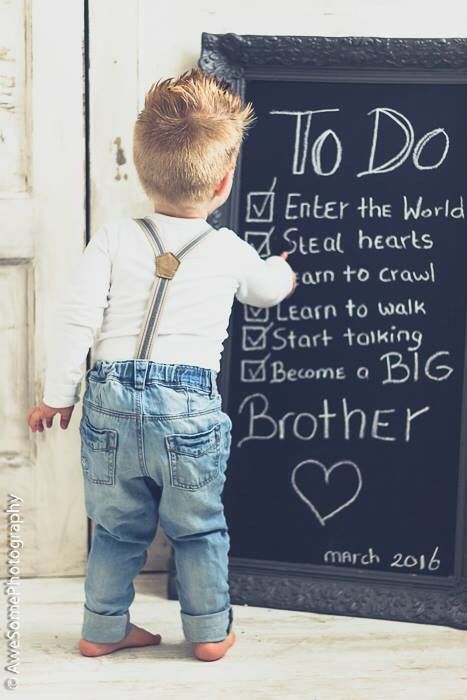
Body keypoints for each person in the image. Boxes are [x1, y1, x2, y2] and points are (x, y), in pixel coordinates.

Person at [26, 68, 296, 662]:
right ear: (224, 184)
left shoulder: (115, 237)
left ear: (144, 173)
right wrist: (283, 269)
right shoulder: (228, 250)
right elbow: (266, 290)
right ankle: (207, 633)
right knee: (197, 528)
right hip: (188, 410)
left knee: (117, 529)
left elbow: (78, 319)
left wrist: (59, 395)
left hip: (109, 402)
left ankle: (101, 630)